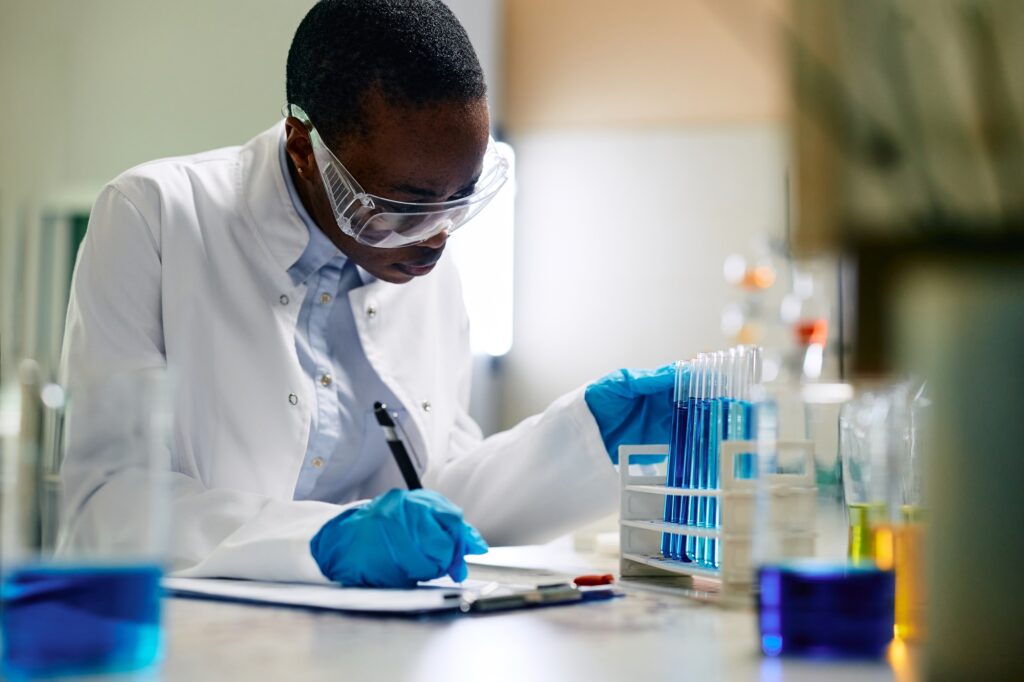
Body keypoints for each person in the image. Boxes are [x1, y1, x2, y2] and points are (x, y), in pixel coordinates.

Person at [59, 0, 681, 588]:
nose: (435, 238)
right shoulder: (156, 218)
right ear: (304, 148)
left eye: (460, 198)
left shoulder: (421, 255)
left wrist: (583, 440)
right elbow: (108, 506)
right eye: (401, 205)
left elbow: (438, 498)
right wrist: (320, 541)